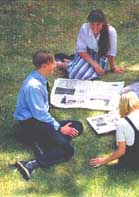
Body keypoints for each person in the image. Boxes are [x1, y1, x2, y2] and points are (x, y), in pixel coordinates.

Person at [13, 51, 83, 181]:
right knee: (68, 150)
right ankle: (30, 164)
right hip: (33, 124)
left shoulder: (40, 78)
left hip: (40, 121)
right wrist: (59, 128)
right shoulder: (33, 86)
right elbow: (39, 114)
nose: (55, 65)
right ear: (44, 66)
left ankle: (44, 143)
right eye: (52, 63)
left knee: (78, 126)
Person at [89, 91, 139, 169]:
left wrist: (105, 161)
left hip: (129, 162)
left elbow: (121, 151)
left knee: (118, 143)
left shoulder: (121, 123)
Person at [57, 9, 124, 80]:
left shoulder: (111, 31)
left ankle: (72, 63)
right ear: (89, 23)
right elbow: (81, 50)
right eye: (92, 24)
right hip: (87, 55)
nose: (95, 27)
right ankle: (62, 64)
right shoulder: (84, 28)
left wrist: (113, 67)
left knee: (85, 75)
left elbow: (110, 52)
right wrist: (95, 65)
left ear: (103, 23)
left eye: (98, 24)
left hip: (100, 56)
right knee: (75, 73)